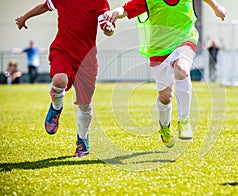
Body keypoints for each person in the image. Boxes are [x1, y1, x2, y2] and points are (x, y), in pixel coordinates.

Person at [104, 0, 226, 147]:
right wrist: (115, 13)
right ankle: (164, 127)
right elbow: (126, 9)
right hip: (158, 51)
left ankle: (184, 121)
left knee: (182, 69)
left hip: (185, 40)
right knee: (165, 97)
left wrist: (216, 7)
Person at [15, 0, 115, 157]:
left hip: (86, 59)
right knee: (60, 80)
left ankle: (82, 140)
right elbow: (45, 6)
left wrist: (109, 29)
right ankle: (56, 108)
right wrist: (24, 17)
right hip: (63, 50)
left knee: (85, 105)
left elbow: (104, 22)